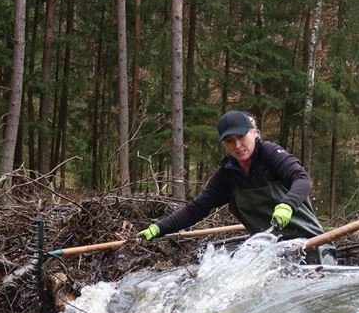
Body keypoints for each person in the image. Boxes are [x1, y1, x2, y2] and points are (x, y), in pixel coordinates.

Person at [138, 110, 336, 265]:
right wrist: (159, 228)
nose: (238, 145)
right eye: (229, 141)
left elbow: (302, 179)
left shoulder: (269, 153)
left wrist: (287, 205)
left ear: (254, 133)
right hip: (271, 252)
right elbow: (197, 208)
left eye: (241, 137)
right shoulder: (227, 173)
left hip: (311, 244)